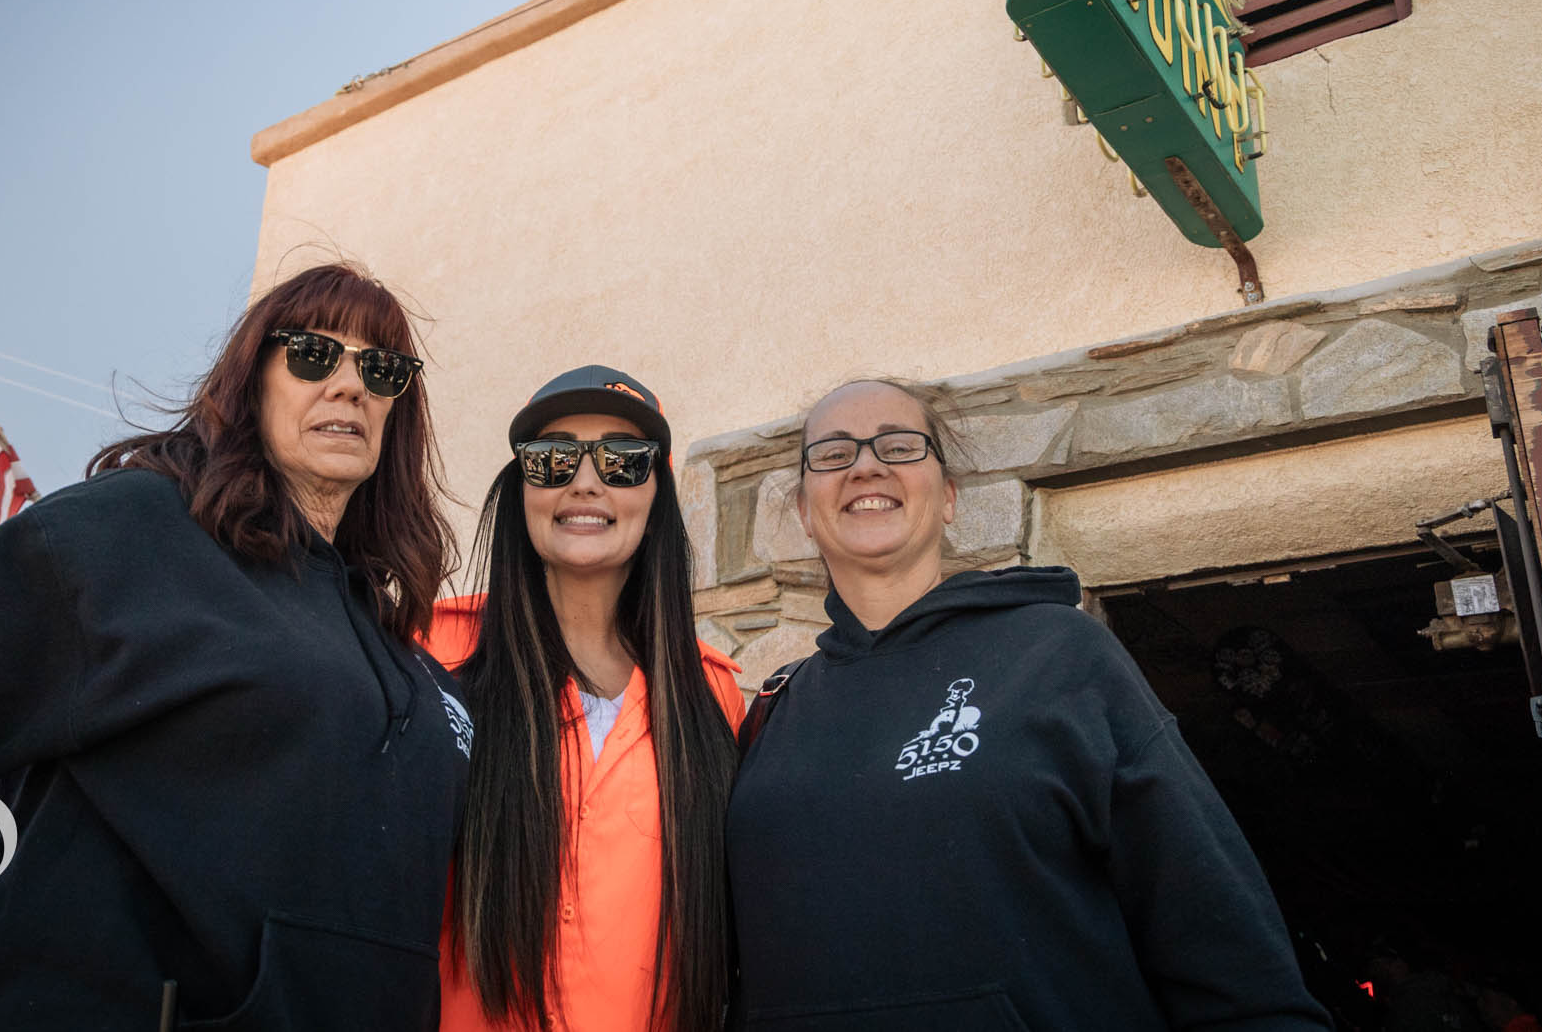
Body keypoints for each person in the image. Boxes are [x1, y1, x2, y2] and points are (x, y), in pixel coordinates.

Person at [0, 263, 471, 1032]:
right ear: (254, 378)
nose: (350, 386)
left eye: (381, 369)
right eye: (314, 354)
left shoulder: (416, 668)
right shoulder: (139, 535)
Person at [726, 378, 1333, 1030]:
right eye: (833, 453)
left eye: (899, 446)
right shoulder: (773, 711)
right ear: (806, 510)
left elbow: (1230, 956)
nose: (866, 466)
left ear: (948, 496)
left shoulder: (1061, 656)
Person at [425, 366, 743, 1032]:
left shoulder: (712, 693)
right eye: (553, 458)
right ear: (522, 487)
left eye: (624, 460)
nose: (586, 481)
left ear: (657, 495)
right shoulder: (431, 656)